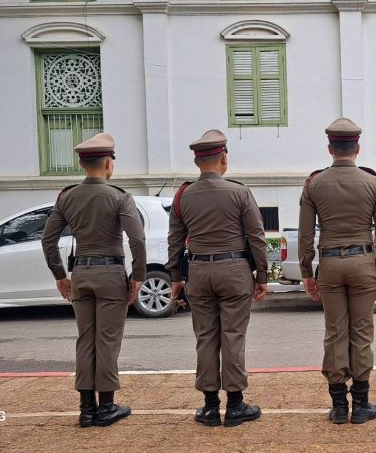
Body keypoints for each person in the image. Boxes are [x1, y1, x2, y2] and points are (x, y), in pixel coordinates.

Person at [41, 133, 146, 428]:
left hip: (81, 274)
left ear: (81, 163)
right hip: (111, 274)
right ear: (109, 163)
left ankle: (86, 410)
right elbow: (137, 239)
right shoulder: (120, 197)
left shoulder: (67, 197)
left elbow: (48, 240)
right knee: (107, 341)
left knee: (85, 340)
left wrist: (60, 276)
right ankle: (107, 407)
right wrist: (138, 275)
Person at [167, 129, 268, 428]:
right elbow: (256, 236)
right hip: (234, 270)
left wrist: (175, 277)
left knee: (205, 337)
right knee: (233, 335)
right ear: (223, 159)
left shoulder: (183, 195)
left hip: (198, 271)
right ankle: (235, 405)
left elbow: (175, 240)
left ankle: (210, 406)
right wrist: (262, 275)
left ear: (197, 161)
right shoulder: (240, 192)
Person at [298, 118, 376, 424]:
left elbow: (305, 235)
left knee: (335, 332)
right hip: (363, 262)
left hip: (329, 264)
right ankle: (361, 403)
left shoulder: (314, 184)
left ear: (330, 148)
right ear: (357, 148)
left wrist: (307, 272)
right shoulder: (373, 184)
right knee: (361, 332)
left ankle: (339, 406)